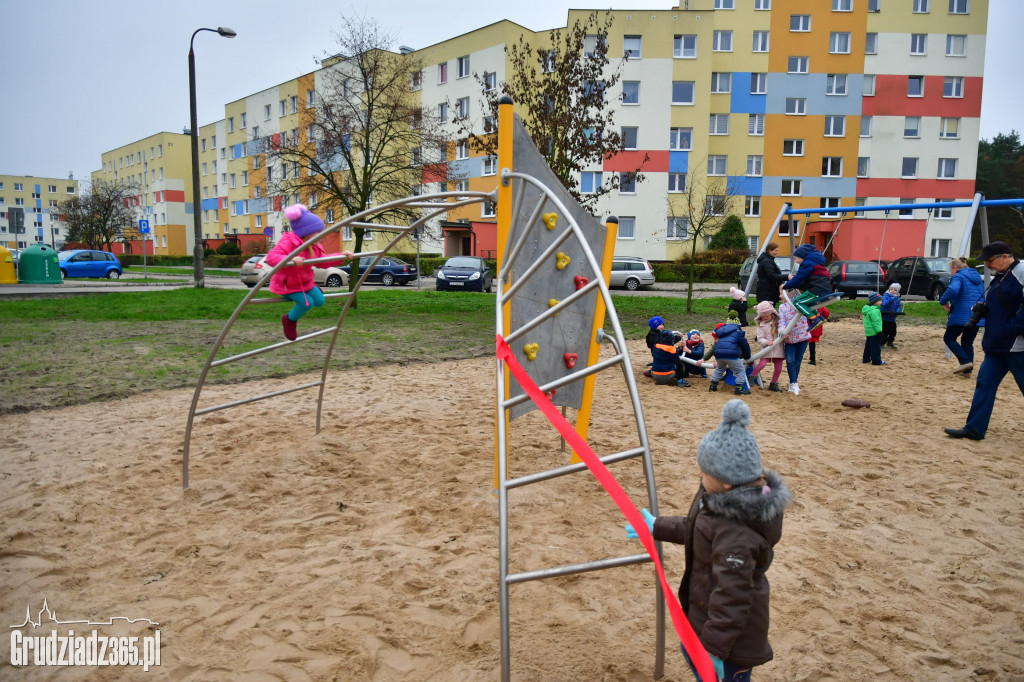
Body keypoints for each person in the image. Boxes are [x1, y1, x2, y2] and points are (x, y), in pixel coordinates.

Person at [625, 400, 792, 682]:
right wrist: (657, 526)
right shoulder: (717, 501)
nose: (699, 475)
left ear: (726, 481)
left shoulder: (737, 534)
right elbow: (696, 529)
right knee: (689, 652)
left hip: (730, 648)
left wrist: (714, 651)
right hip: (708, 623)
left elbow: (732, 597)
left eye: (704, 471)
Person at [945, 241, 1024, 440]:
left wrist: (1010, 329)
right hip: (996, 344)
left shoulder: (1021, 272)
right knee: (984, 384)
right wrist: (982, 310)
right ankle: (974, 429)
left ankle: (974, 428)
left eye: (990, 261)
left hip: (1016, 345)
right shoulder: (1002, 275)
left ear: (1005, 256)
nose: (987, 265)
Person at [267, 204, 353, 340]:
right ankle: (289, 319)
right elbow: (271, 258)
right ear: (306, 232)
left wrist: (340, 256)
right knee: (307, 303)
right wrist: (289, 258)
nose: (322, 236)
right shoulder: (289, 241)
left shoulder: (314, 246)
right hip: (288, 285)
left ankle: (310, 291)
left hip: (305, 282)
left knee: (319, 301)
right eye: (318, 232)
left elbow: (322, 261)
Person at [939, 257, 985, 374]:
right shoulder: (978, 279)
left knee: (949, 338)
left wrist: (943, 301)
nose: (951, 272)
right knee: (967, 342)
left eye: (951, 269)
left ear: (955, 268)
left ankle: (964, 361)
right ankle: (968, 369)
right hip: (976, 315)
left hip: (961, 315)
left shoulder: (958, 276)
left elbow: (953, 290)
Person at [782, 243, 832, 331]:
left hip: (817, 290)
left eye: (796, 258)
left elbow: (799, 277)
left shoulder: (807, 264)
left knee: (797, 302)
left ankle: (814, 320)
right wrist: (796, 284)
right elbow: (807, 279)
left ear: (802, 256)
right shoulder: (815, 263)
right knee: (807, 303)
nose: (796, 261)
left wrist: (787, 285)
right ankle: (819, 317)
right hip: (823, 288)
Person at [777, 286, 811, 395]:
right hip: (790, 339)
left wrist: (793, 281)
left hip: (802, 337)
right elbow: (781, 321)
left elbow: (800, 291)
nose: (782, 295)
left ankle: (794, 383)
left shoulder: (800, 303)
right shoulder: (782, 307)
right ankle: (793, 383)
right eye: (782, 293)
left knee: (797, 361)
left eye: (784, 292)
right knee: (790, 360)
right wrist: (782, 331)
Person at [706, 321, 752, 396]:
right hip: (731, 355)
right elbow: (745, 346)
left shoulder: (722, 333)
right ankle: (739, 389)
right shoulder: (738, 333)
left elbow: (715, 346)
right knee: (739, 371)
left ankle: (713, 386)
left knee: (719, 369)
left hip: (719, 354)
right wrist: (747, 356)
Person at [751, 300, 784, 392]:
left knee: (778, 368)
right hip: (766, 348)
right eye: (763, 316)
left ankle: (773, 383)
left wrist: (785, 337)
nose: (765, 317)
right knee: (762, 364)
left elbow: (783, 332)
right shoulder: (761, 325)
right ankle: (752, 377)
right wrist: (766, 342)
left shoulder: (779, 323)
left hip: (778, 349)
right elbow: (759, 338)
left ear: (772, 313)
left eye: (767, 315)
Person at [862, 292, 886, 366]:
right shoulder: (875, 311)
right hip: (874, 331)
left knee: (868, 345)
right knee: (876, 347)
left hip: (868, 331)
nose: (881, 302)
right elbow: (876, 322)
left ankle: (866, 359)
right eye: (880, 300)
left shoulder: (868, 309)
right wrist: (879, 331)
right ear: (875, 301)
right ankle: (876, 361)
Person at [879, 283, 903, 350]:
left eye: (895, 290)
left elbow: (898, 306)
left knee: (893, 332)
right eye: (891, 289)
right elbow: (884, 305)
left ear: (897, 291)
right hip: (885, 317)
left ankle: (890, 342)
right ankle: (881, 344)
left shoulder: (897, 298)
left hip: (892, 319)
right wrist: (890, 300)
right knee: (884, 332)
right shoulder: (886, 296)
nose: (892, 291)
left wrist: (898, 311)